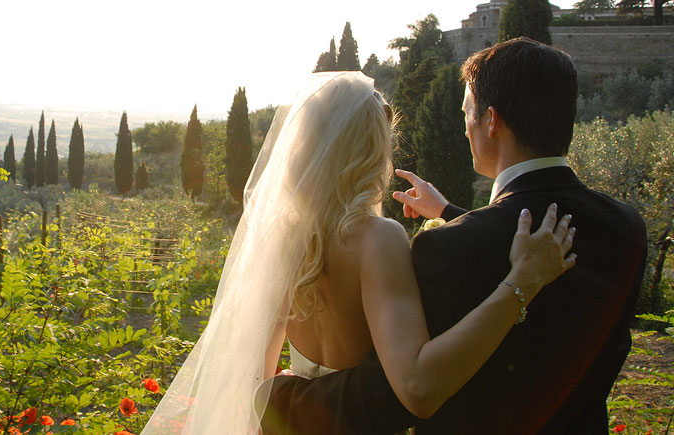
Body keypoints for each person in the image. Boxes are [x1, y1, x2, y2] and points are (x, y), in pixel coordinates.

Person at [142, 66, 577, 434]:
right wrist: (522, 281)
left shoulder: (285, 237)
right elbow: (418, 386)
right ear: (372, 150)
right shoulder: (377, 239)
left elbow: (251, 372)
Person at [261, 38, 647, 434]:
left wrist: (274, 401)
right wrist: (449, 214)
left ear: (491, 121)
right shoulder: (628, 227)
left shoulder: (446, 248)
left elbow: (400, 390)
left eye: (467, 113)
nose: (464, 129)